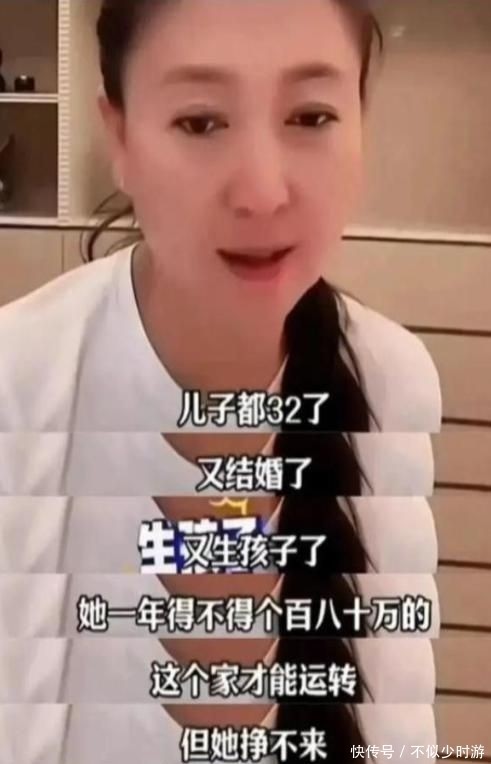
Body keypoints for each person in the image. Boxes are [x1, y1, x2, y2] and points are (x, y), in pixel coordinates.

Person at [0, 0, 442, 762]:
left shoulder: (388, 376)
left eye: (310, 116)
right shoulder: (21, 380)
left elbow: (395, 728)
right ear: (119, 139)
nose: (262, 193)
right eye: (200, 122)